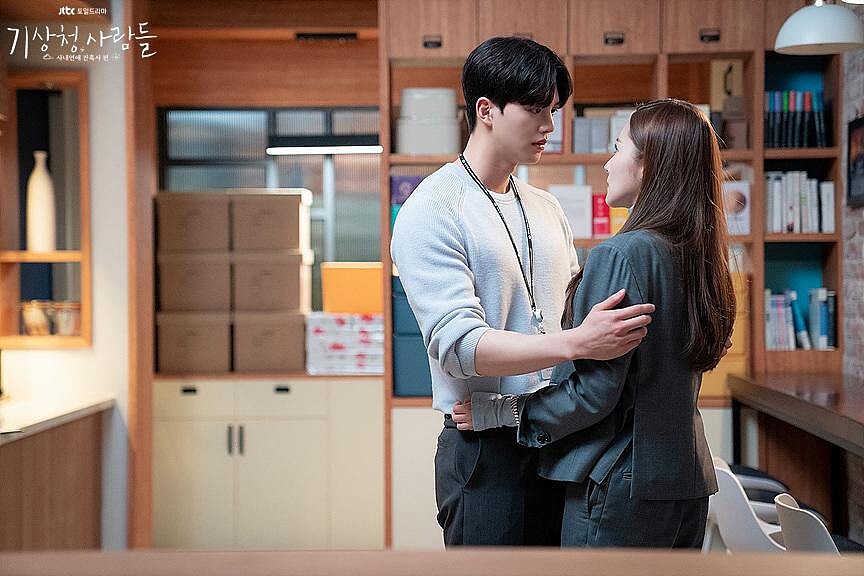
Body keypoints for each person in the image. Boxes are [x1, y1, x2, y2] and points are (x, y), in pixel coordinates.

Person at [389, 36, 655, 547]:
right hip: (485, 446)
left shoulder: (546, 207)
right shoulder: (432, 209)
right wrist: (577, 343)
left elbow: (573, 310)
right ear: (486, 110)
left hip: (561, 433)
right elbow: (460, 347)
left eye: (552, 110)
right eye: (535, 110)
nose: (549, 126)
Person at [454, 98, 737, 548]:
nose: (608, 163)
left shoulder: (622, 255)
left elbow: (594, 392)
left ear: (648, 166)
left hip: (619, 484)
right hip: (685, 483)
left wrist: (502, 412)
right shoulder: (700, 256)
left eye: (618, 149)